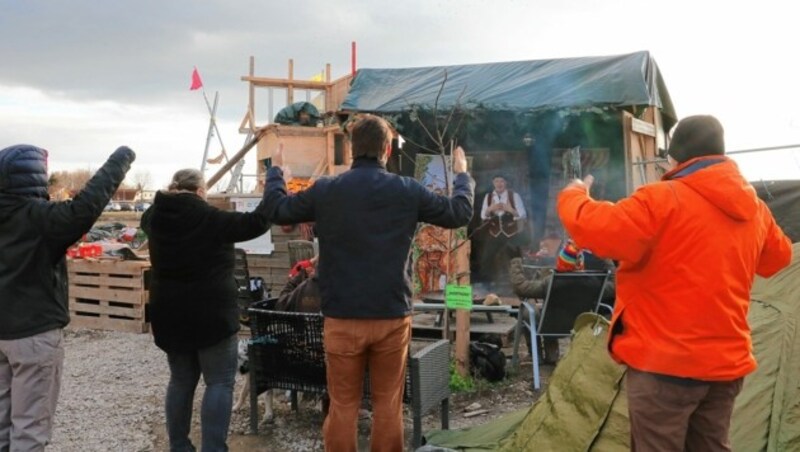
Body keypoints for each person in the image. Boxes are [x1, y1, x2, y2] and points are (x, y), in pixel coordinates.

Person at [557, 114, 792, 451]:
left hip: (664, 366)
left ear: (676, 157)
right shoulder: (754, 208)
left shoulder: (661, 199)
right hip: (725, 366)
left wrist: (573, 194)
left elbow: (596, 229)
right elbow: (777, 259)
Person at [264, 114, 474, 452]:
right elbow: (458, 214)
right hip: (391, 314)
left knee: (343, 405)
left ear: (350, 149)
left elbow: (276, 209)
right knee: (387, 405)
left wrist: (276, 171)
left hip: (342, 316)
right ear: (387, 149)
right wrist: (462, 174)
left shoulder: (327, 190)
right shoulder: (407, 190)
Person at [0, 144, 135, 450]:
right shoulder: (40, 217)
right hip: (34, 335)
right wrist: (120, 159)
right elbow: (85, 207)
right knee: (29, 430)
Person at [141, 169, 272, 452]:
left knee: (180, 380)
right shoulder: (212, 219)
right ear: (201, 191)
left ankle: (179, 446)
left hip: (169, 314)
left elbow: (151, 214)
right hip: (213, 315)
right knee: (219, 383)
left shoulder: (152, 218)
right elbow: (259, 221)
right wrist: (274, 180)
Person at [508, 241, 616, 363]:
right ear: (580, 264)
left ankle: (536, 356)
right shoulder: (593, 283)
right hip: (579, 326)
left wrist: (515, 262)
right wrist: (606, 258)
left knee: (528, 310)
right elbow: (616, 285)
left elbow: (521, 287)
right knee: (549, 312)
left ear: (560, 263)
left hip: (549, 325)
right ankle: (551, 354)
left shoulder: (550, 282)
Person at [478, 175, 526, 288]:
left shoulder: (514, 196)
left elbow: (523, 214)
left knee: (514, 258)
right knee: (486, 257)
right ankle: (487, 285)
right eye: (496, 181)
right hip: (494, 232)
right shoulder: (488, 197)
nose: (499, 184)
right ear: (493, 183)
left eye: (502, 181)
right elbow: (483, 216)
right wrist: (490, 209)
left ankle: (518, 284)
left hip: (510, 232)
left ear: (506, 183)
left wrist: (510, 210)